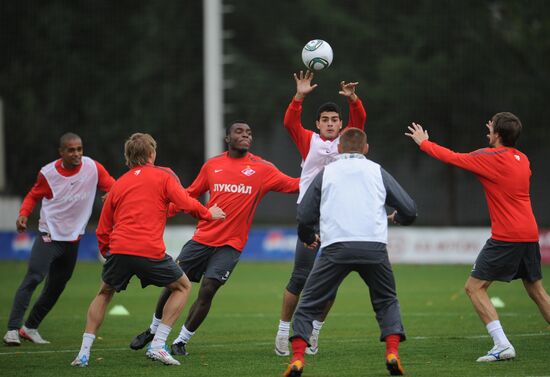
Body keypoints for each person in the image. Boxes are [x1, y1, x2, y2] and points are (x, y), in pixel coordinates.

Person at [129, 121, 300, 356]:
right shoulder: (213, 165)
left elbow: (294, 185)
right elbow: (189, 194)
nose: (245, 135)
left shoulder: (263, 169)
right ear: (227, 138)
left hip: (231, 245)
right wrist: (163, 211)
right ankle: (153, 329)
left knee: (208, 289)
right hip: (202, 238)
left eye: (249, 132)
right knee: (173, 283)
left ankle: (181, 340)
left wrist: (322, 174)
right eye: (239, 132)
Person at [71, 133, 225, 367]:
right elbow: (184, 202)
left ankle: (83, 353)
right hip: (148, 249)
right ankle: (157, 345)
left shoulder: (119, 184)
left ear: (128, 157)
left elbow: (103, 227)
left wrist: (108, 252)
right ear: (152, 154)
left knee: (104, 292)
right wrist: (208, 213)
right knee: (182, 286)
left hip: (119, 248)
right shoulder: (163, 177)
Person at [405, 113, 550, 362]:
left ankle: (502, 344)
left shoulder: (489, 157)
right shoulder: (522, 159)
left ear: (498, 134)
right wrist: (498, 131)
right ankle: (502, 344)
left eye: (491, 127)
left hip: (507, 235)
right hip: (529, 233)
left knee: (474, 288)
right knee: (536, 290)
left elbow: (453, 158)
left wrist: (423, 143)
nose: (488, 129)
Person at [283, 128, 417, 377]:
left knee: (309, 304)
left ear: (339, 149)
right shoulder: (377, 170)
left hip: (336, 248)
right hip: (374, 248)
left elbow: (304, 215)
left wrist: (308, 237)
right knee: (386, 300)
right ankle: (392, 353)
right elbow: (409, 209)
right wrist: (399, 217)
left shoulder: (327, 172)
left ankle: (298, 359)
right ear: (366, 148)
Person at [275, 70, 367, 357]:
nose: (330, 123)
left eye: (334, 120)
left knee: (330, 281)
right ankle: (282, 331)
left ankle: (314, 333)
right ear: (317, 124)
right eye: (325, 120)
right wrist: (299, 97)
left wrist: (353, 100)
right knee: (300, 277)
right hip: (311, 219)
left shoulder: (348, 143)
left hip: (338, 220)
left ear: (341, 124)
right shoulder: (308, 140)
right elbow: (290, 122)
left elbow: (360, 122)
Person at [3, 133, 115, 346]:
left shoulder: (93, 168)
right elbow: (34, 195)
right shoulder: (48, 173)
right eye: (71, 150)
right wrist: (24, 214)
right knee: (34, 277)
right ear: (61, 152)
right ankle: (12, 330)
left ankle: (30, 328)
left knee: (56, 286)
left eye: (80, 149)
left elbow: (114, 185)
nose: (77, 154)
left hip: (73, 240)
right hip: (49, 236)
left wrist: (112, 193)